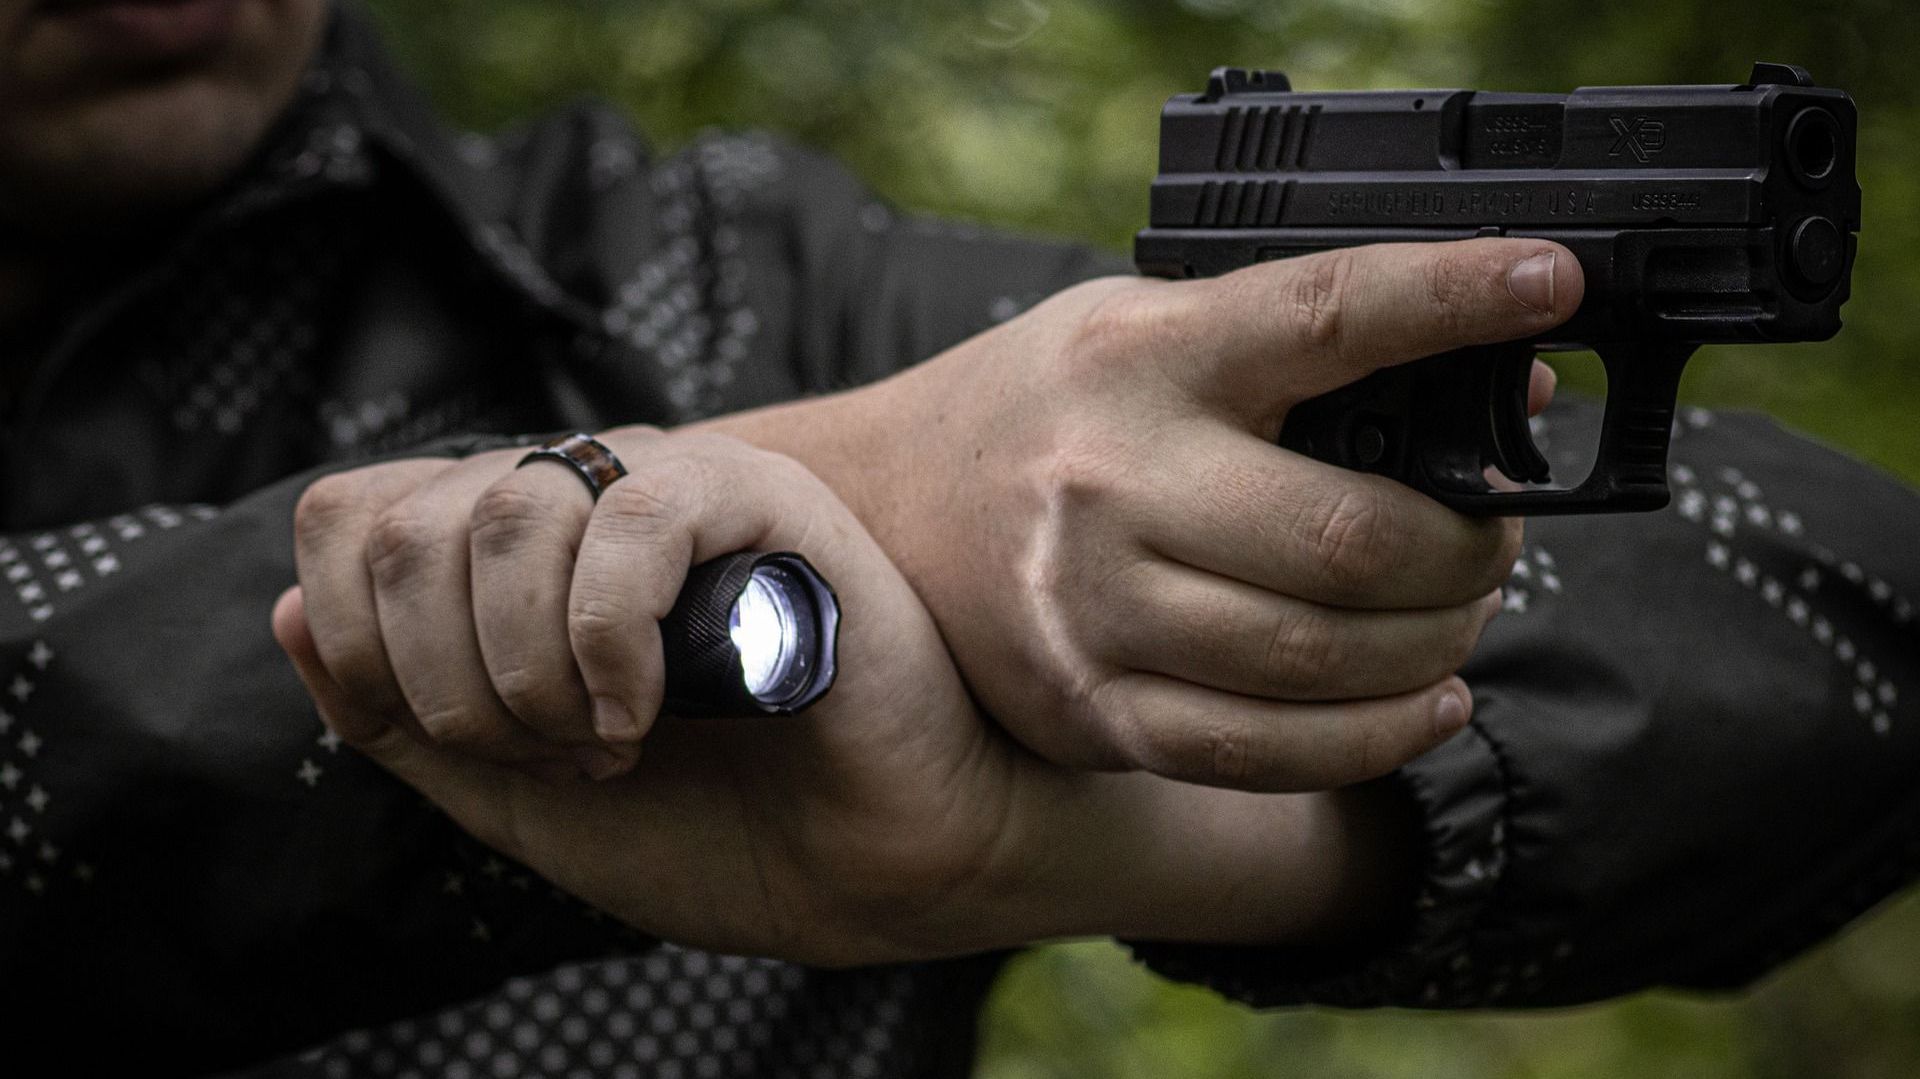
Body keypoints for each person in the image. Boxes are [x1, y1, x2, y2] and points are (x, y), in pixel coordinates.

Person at [1, 0, 1914, 1075]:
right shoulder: (762, 350)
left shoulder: (718, 280)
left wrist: (1109, 831)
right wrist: (853, 488)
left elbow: (1853, 610)